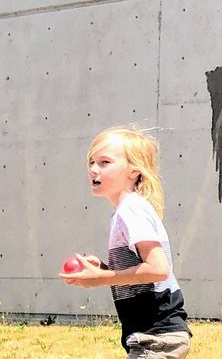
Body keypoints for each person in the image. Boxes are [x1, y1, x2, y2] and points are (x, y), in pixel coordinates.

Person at [59, 127, 192, 359]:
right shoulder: (127, 210)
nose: (93, 169)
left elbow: (158, 270)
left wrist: (102, 279)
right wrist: (106, 270)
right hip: (154, 334)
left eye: (104, 162)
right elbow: (144, 275)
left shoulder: (131, 210)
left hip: (156, 336)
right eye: (91, 162)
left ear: (133, 171)